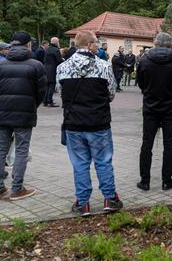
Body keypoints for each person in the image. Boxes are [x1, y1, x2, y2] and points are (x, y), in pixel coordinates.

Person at [57, 31, 122, 216]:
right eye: (96, 42)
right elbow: (111, 93)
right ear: (90, 44)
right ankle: (110, 198)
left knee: (79, 163)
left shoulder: (62, 67)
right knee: (103, 161)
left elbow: (60, 92)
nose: (97, 45)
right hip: (98, 122)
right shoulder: (103, 66)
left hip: (73, 123)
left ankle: (82, 202)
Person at [0, 31, 46, 201]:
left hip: (1, 112)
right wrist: (31, 106)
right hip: (24, 113)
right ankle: (17, 188)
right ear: (28, 45)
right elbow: (41, 93)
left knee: (0, 150)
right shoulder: (36, 65)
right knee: (21, 150)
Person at [136, 32, 172, 191]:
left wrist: (150, 92)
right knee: (168, 144)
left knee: (147, 144)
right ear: (170, 44)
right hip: (170, 107)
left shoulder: (144, 62)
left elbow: (141, 84)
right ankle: (167, 180)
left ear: (155, 43)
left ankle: (145, 181)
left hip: (150, 107)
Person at [43, 37, 62, 107]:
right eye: (58, 42)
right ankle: (49, 101)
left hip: (46, 69)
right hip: (52, 69)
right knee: (52, 85)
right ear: (56, 42)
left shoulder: (47, 49)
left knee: (47, 85)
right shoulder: (56, 50)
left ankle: (45, 101)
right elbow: (59, 60)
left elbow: (44, 59)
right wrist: (64, 60)